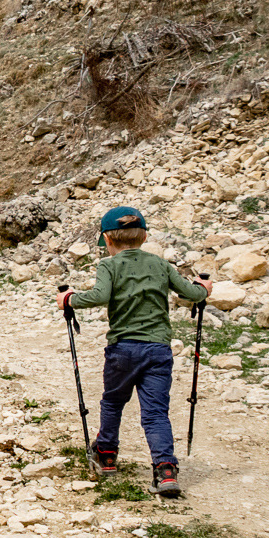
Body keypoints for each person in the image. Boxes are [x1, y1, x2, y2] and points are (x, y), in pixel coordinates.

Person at [57, 206, 212, 496]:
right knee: (155, 413)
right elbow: (191, 294)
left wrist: (69, 299)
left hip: (123, 349)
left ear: (108, 240)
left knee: (113, 402)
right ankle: (165, 469)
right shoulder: (160, 264)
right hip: (158, 350)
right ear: (143, 236)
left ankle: (106, 453)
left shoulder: (108, 266)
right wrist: (203, 288)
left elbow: (101, 296)